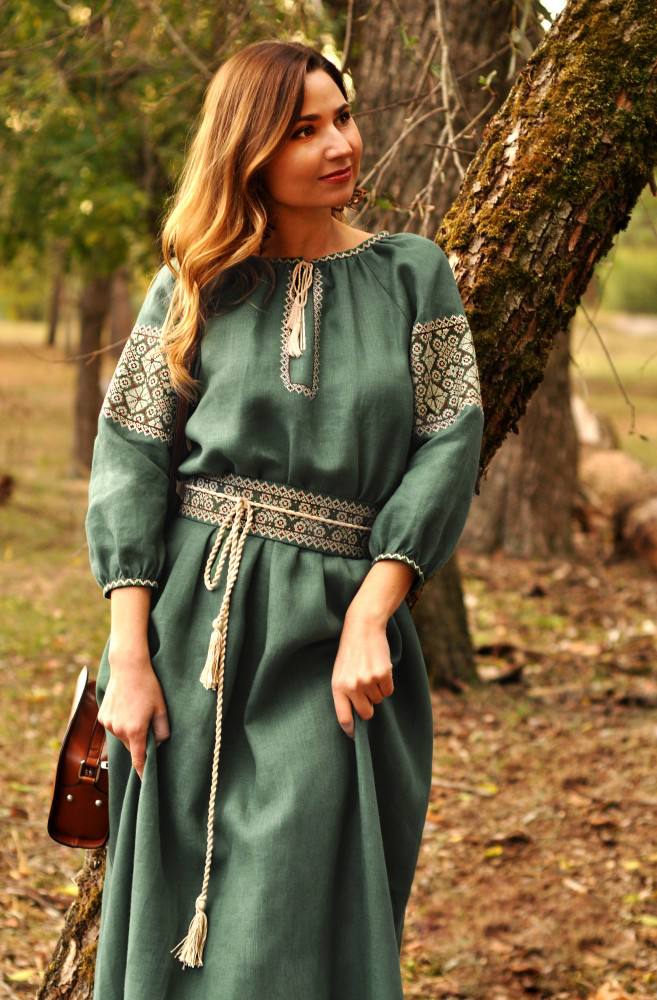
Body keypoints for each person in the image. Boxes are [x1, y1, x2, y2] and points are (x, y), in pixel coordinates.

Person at [85, 37, 485, 1000]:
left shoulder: (412, 274)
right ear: (250, 149)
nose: (338, 144)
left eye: (341, 117)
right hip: (195, 631)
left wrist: (372, 613)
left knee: (294, 910)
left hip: (339, 633)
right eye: (304, 130)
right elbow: (130, 457)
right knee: (179, 907)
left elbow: (449, 442)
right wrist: (128, 657)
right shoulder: (193, 285)